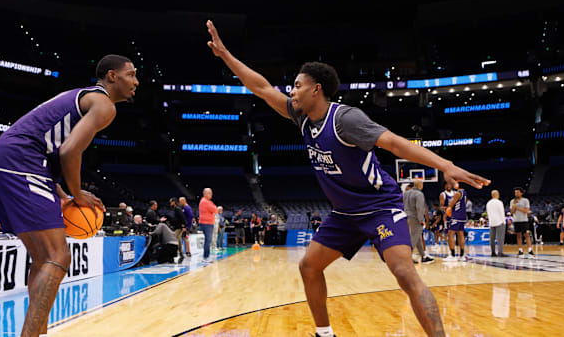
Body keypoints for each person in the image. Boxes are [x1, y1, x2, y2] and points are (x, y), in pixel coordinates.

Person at [206, 20, 489, 337]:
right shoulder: (301, 117)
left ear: (316, 89)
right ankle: (324, 333)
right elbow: (261, 87)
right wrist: (225, 54)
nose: (291, 90)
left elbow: (394, 143)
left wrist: (445, 164)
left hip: (380, 206)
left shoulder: (345, 119)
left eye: (298, 85)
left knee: (404, 273)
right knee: (309, 266)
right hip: (345, 213)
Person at [0, 54, 137, 337]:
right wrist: (78, 194)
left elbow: (50, 149)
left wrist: (63, 195)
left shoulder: (81, 96)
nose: (136, 82)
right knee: (59, 256)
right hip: (21, 161)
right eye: (131, 74)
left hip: (6, 160)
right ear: (112, 76)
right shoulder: (104, 105)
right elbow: (68, 151)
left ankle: (37, 333)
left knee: (43, 259)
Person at [403, 180, 434, 264]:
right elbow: (419, 208)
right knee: (414, 238)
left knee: (417, 237)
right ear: (420, 185)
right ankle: (407, 257)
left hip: (406, 217)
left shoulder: (406, 193)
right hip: (415, 218)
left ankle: (423, 256)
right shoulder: (419, 194)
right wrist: (421, 219)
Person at [444, 184, 469, 262]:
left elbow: (450, 205)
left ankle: (452, 255)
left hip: (456, 216)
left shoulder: (458, 193)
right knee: (460, 234)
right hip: (462, 216)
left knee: (450, 233)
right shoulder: (464, 192)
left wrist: (445, 215)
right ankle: (462, 255)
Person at [510, 187, 534, 258]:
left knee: (527, 235)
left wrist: (517, 208)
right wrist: (514, 205)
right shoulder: (512, 201)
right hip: (516, 220)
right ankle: (520, 251)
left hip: (524, 220)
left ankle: (530, 250)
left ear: (521, 193)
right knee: (518, 235)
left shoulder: (525, 200)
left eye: (517, 192)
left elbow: (526, 210)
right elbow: (512, 212)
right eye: (515, 192)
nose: (516, 194)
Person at [198, 188, 217, 261]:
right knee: (208, 240)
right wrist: (214, 208)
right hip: (206, 223)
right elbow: (215, 210)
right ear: (205, 194)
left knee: (208, 240)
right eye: (210, 193)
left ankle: (207, 256)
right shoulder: (205, 202)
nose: (211, 194)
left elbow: (215, 209)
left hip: (208, 223)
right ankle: (206, 257)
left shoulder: (207, 201)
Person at [486, 190, 506, 257]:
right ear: (497, 194)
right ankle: (500, 252)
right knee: (500, 238)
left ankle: (493, 252)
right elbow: (501, 212)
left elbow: (488, 213)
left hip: (491, 222)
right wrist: (504, 221)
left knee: (492, 238)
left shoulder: (488, 203)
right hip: (499, 221)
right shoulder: (499, 202)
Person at [169, 198, 188, 263]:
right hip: (177, 227)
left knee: (177, 239)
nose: (170, 204)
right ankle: (180, 253)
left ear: (174, 202)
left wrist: (184, 226)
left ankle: (180, 254)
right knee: (178, 239)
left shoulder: (177, 209)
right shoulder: (176, 209)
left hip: (179, 227)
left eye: (171, 202)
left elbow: (182, 217)